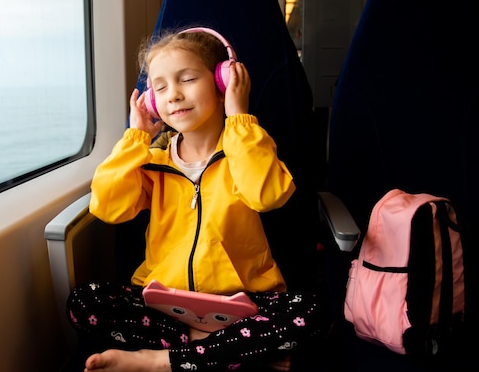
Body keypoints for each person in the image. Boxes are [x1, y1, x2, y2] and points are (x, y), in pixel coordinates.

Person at [66, 28, 326, 372]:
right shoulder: (154, 161)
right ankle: (222, 351)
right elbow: (108, 206)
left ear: (222, 84)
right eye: (159, 87)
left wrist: (239, 119)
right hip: (164, 303)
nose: (172, 95)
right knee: (85, 302)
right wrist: (137, 136)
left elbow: (267, 195)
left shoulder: (246, 147)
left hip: (243, 302)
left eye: (186, 79)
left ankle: (161, 361)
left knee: (314, 313)